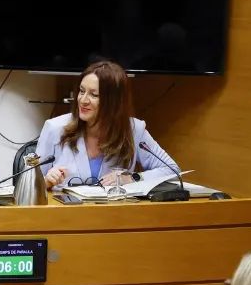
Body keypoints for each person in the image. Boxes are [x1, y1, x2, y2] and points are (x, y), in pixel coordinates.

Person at [35, 60, 180, 190]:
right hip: (66, 215)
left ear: (114, 102)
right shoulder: (55, 128)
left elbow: (172, 171)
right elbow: (29, 183)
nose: (83, 100)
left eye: (94, 95)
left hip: (114, 215)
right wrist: (47, 182)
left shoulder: (133, 129)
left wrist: (132, 178)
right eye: (81, 91)